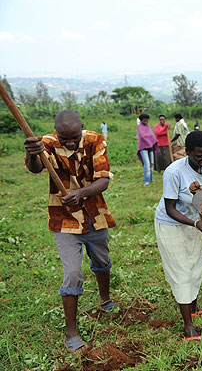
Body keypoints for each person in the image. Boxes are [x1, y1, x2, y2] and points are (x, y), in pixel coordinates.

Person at [24, 110, 116, 352]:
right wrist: (31, 154)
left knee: (102, 261)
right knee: (73, 273)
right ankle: (71, 333)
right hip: (63, 219)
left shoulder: (95, 140)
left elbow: (103, 180)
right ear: (57, 133)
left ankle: (105, 300)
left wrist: (81, 193)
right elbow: (35, 168)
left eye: (74, 137)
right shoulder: (46, 144)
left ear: (81, 128)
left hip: (94, 214)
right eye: (65, 139)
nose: (70, 143)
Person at [154, 131, 202, 341]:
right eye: (199, 156)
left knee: (195, 265)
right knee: (181, 271)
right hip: (171, 224)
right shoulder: (174, 172)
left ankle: (194, 306)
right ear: (187, 152)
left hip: (196, 223)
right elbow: (170, 208)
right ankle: (188, 325)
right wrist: (195, 224)